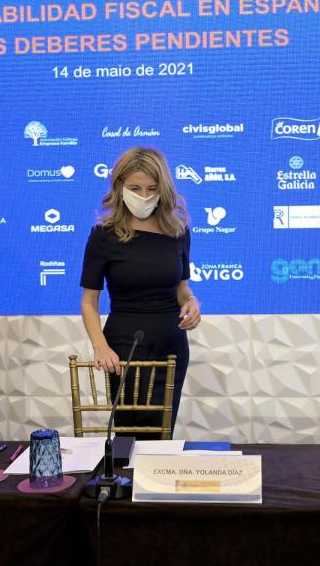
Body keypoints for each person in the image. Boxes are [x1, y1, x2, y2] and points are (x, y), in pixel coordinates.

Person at [80, 147, 200, 439]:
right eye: (135, 188)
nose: (144, 196)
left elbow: (181, 287)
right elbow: (89, 302)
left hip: (171, 347)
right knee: (128, 438)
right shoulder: (103, 236)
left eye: (151, 189)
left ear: (163, 189)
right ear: (119, 186)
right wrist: (100, 346)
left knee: (161, 437)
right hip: (123, 350)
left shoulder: (178, 230)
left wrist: (192, 304)